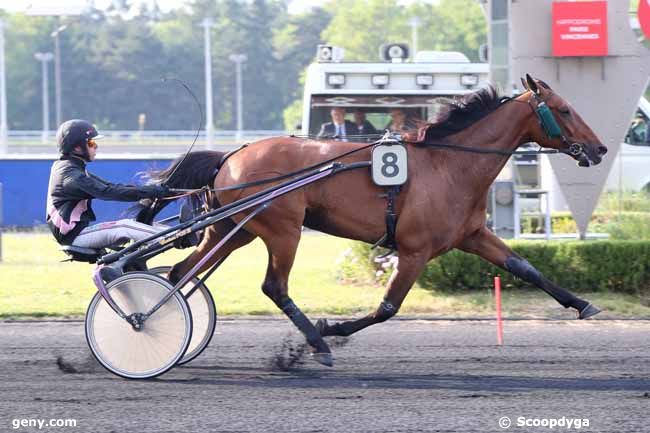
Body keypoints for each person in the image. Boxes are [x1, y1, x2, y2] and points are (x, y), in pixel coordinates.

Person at [46, 119, 170, 249]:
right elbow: (109, 192)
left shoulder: (71, 167)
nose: (96, 146)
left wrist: (151, 190)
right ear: (77, 147)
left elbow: (111, 187)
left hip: (76, 233)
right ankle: (177, 238)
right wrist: (152, 192)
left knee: (144, 226)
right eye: (91, 142)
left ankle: (177, 235)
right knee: (125, 226)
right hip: (75, 237)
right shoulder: (70, 173)